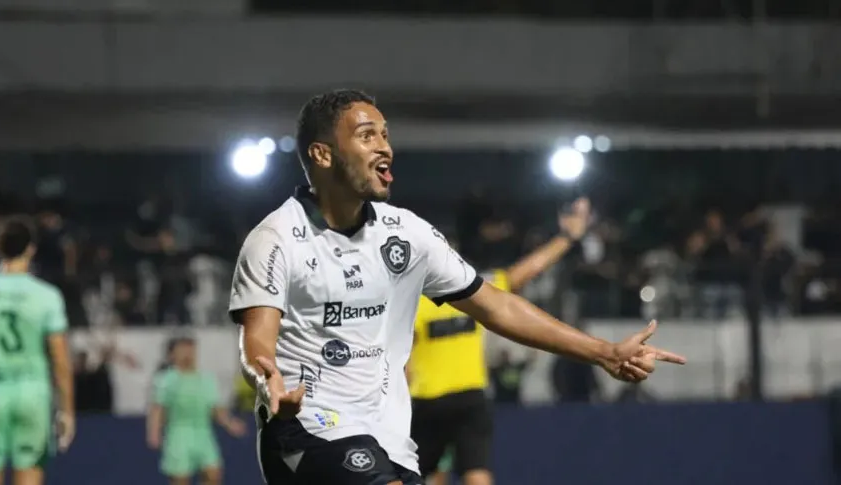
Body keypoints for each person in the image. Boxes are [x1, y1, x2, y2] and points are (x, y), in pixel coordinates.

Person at [229, 89, 686, 485]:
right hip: (306, 429)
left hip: (389, 441)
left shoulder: (407, 235)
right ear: (323, 154)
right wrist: (268, 380)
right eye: (367, 135)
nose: (385, 147)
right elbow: (258, 341)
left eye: (385, 134)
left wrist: (604, 353)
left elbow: (497, 306)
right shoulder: (276, 239)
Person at [409, 200, 591, 485]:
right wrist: (566, 238)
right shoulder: (472, 291)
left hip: (428, 402)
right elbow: (526, 271)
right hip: (469, 398)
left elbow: (403, 361)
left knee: (421, 477)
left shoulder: (413, 302)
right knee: (477, 475)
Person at [0, 216, 75, 485]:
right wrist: (66, 409)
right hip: (33, 395)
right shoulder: (47, 295)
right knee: (30, 473)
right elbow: (60, 359)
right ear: (31, 248)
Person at [147, 337, 247, 485]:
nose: (187, 354)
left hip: (203, 434)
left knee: (213, 473)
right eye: (182, 350)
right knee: (180, 479)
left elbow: (216, 409)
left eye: (190, 350)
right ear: (173, 354)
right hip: (178, 435)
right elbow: (157, 409)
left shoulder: (207, 379)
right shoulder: (166, 380)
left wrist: (230, 424)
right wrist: (153, 432)